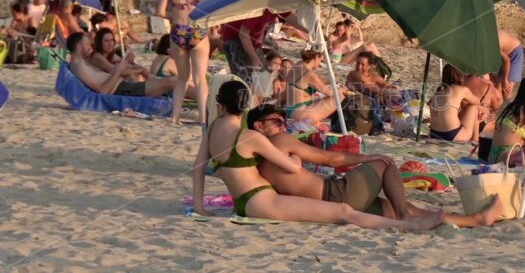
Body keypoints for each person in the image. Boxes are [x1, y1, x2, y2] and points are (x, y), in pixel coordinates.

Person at [193, 103, 500, 227]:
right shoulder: (280, 142)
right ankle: (408, 213)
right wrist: (369, 159)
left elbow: (221, 166)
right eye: (275, 120)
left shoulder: (256, 157)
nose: (281, 123)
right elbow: (332, 159)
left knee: (396, 207)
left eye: (281, 119)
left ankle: (473, 219)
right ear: (259, 126)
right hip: (336, 193)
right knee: (386, 163)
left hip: (331, 194)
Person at [191, 81, 442, 230]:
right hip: (261, 201)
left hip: (243, 203)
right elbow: (290, 167)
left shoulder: (213, 129)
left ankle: (409, 221)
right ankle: (408, 225)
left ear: (219, 102)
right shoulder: (250, 137)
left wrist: (200, 207)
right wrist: (297, 158)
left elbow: (197, 167)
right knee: (343, 212)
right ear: (244, 105)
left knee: (344, 210)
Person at [157, 0, 210, 124]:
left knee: (182, 78)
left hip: (177, 33)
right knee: (200, 79)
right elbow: (210, 8)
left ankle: (175, 117)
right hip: (196, 31)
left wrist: (173, 17)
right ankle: (203, 119)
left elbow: (159, 11)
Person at [66, 32, 175, 97]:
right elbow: (103, 91)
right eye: (87, 45)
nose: (91, 47)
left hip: (125, 87)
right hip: (124, 90)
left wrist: (124, 68)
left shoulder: (82, 63)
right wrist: (118, 71)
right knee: (172, 81)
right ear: (79, 47)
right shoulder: (79, 67)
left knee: (172, 81)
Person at [284, 46, 346, 123]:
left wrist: (331, 81)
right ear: (316, 57)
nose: (320, 62)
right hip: (299, 113)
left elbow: (316, 81)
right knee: (339, 97)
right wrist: (343, 89)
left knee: (320, 97)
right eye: (321, 59)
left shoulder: (297, 65)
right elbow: (330, 93)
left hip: (289, 109)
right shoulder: (309, 74)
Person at [428, 65, 481, 142]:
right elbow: (477, 101)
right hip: (452, 135)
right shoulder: (461, 90)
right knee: (473, 107)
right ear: (460, 75)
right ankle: (476, 140)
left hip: (434, 134)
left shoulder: (439, 90)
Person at [149, 34, 196, 99]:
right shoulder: (170, 61)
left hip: (160, 88)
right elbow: (187, 78)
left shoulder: (159, 58)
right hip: (169, 92)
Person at [497, 30, 524, 100]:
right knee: (497, 88)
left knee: (506, 92)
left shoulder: (492, 43)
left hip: (513, 53)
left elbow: (506, 61)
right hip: (502, 52)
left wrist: (504, 79)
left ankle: (505, 106)